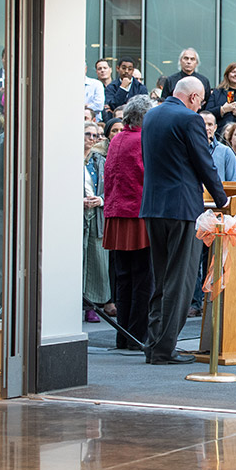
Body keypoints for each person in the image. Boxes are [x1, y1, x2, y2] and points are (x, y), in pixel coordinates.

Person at [140, 76, 229, 365]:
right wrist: (222, 199)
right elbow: (204, 162)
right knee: (180, 282)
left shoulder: (150, 116)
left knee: (161, 279)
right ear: (193, 98)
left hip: (153, 207)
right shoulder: (190, 119)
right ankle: (165, 349)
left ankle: (153, 344)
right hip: (182, 210)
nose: (201, 105)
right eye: (201, 101)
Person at [102, 95, 153, 348]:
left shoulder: (117, 139)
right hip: (137, 215)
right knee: (143, 278)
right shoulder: (143, 140)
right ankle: (137, 337)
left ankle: (123, 336)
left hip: (117, 215)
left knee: (124, 279)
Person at [82, 121, 110, 323]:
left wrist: (100, 200)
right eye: (87, 134)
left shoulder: (99, 161)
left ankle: (92, 306)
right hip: (76, 214)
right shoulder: (68, 159)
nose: (92, 139)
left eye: (95, 135)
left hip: (96, 214)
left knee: (97, 259)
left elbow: (111, 187)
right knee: (78, 259)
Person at [200, 112, 236, 182]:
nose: (206, 128)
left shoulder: (226, 152)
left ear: (215, 128)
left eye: (210, 124)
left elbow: (233, 183)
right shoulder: (187, 148)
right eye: (202, 124)